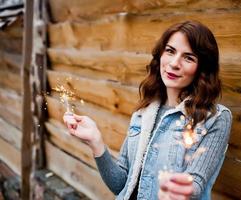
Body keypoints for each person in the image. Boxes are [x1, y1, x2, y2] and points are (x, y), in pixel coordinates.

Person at [63, 20, 232, 200]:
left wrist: (181, 188)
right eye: (170, 51)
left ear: (202, 68)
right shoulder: (143, 114)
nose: (174, 63)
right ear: (160, 55)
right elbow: (121, 184)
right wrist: (95, 142)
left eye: (188, 57)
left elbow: (196, 183)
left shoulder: (216, 118)